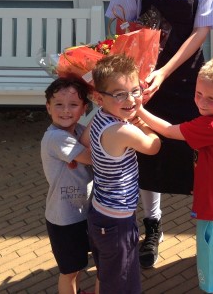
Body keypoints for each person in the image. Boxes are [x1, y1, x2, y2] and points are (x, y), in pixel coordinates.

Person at [107, 0, 213, 268]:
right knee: (147, 151)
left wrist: (164, 70)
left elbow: (202, 30)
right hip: (144, 79)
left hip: (190, 77)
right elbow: (119, 18)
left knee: (197, 153)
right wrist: (138, 64)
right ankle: (152, 225)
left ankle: (208, 226)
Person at [137, 57, 213, 294]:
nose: (202, 103)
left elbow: (168, 131)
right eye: (198, 94)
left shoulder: (211, 125)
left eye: (211, 98)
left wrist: (138, 111)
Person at [80, 54, 162, 294]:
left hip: (100, 215)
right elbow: (153, 146)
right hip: (117, 222)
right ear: (98, 97)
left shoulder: (99, 119)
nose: (130, 99)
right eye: (119, 94)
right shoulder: (121, 130)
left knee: (108, 274)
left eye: (135, 91)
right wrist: (142, 122)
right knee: (123, 282)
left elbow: (85, 140)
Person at [41, 77, 96, 294]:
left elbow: (91, 137)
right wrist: (106, 111)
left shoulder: (78, 130)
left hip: (83, 213)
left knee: (79, 265)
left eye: (73, 105)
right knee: (69, 271)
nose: (66, 111)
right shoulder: (56, 138)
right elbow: (92, 157)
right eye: (59, 105)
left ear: (83, 108)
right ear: (48, 107)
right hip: (64, 219)